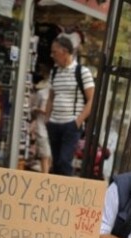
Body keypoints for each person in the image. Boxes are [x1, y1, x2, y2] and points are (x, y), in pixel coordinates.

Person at [44, 35, 95, 176]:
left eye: (54, 52)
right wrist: (47, 118)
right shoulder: (54, 72)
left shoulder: (82, 72)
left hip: (70, 125)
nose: (52, 55)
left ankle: (64, 194)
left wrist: (78, 121)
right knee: (56, 163)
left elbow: (92, 99)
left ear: (64, 51)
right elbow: (51, 97)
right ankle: (56, 194)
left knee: (64, 161)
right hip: (54, 124)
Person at [31, 71, 52, 173]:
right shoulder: (41, 93)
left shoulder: (60, 96)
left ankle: (46, 175)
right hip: (41, 127)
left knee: (50, 157)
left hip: (53, 129)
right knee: (45, 155)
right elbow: (33, 108)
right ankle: (45, 177)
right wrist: (41, 111)